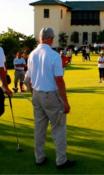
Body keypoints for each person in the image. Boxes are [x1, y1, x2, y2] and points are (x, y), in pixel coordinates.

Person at [25, 27, 74, 169]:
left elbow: (27, 79)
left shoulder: (32, 54)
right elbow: (59, 80)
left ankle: (39, 157)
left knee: (39, 128)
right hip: (50, 95)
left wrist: (31, 92)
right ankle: (61, 160)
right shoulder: (54, 55)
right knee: (58, 128)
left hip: (37, 94)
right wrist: (65, 102)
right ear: (50, 38)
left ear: (41, 38)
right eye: (53, 38)